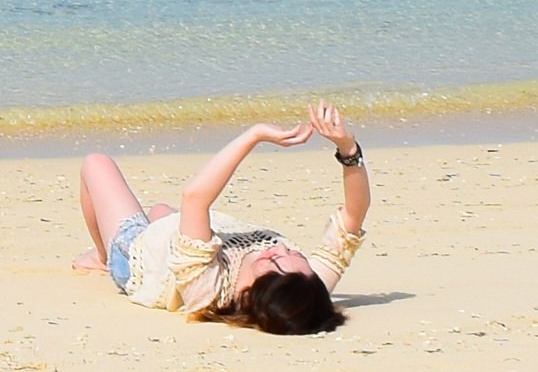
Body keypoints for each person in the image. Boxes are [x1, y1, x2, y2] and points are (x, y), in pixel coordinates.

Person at [77, 101, 369, 333]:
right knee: (162, 211)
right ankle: (153, 225)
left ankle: (103, 258)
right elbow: (354, 217)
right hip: (172, 238)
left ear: (255, 294)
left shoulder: (208, 289)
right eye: (295, 252)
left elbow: (194, 198)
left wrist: (254, 135)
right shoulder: (304, 288)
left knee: (96, 164)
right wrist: (348, 148)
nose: (278, 249)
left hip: (136, 255)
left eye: (275, 260)